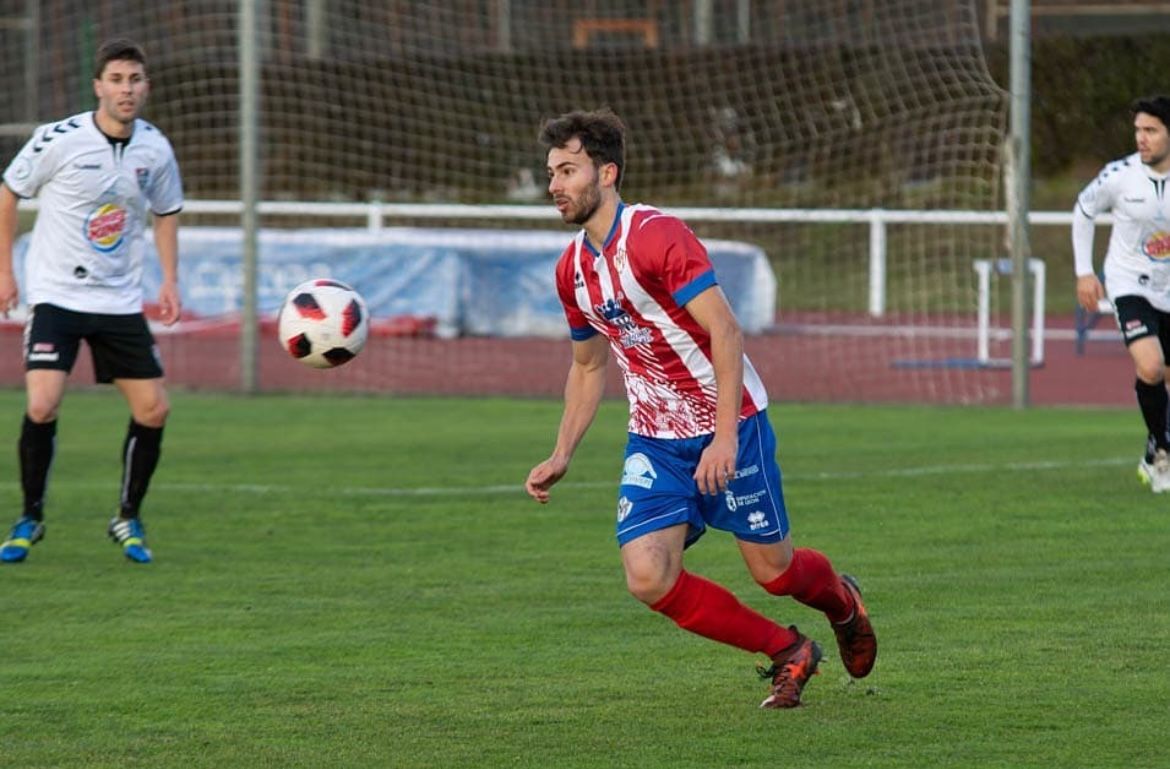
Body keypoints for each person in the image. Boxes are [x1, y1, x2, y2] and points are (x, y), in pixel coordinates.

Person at [525, 109, 876, 709]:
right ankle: (789, 652)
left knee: (775, 573)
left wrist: (723, 439)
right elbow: (588, 366)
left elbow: (727, 332)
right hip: (656, 439)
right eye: (551, 172)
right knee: (647, 576)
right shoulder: (572, 272)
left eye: (568, 170)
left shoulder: (658, 236)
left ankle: (843, 603)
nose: (554, 184)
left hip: (730, 425)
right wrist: (562, 451)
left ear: (607, 173)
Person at [0, 38, 183, 563]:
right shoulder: (58, 139)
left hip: (119, 301)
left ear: (146, 87)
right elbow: (9, 192)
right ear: (99, 86)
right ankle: (30, 517)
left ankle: (128, 517)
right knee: (42, 402)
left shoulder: (155, 148)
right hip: (57, 295)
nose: (128, 90)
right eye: (118, 80)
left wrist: (169, 280)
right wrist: (6, 270)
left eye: (136, 80)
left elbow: (166, 211)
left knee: (154, 410)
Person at [1074, 96, 1170, 493]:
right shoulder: (1120, 175)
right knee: (1150, 367)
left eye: (1151, 131)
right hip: (1129, 283)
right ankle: (1163, 453)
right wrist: (1084, 272)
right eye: (1138, 130)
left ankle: (1153, 448)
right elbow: (1083, 209)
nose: (1141, 139)